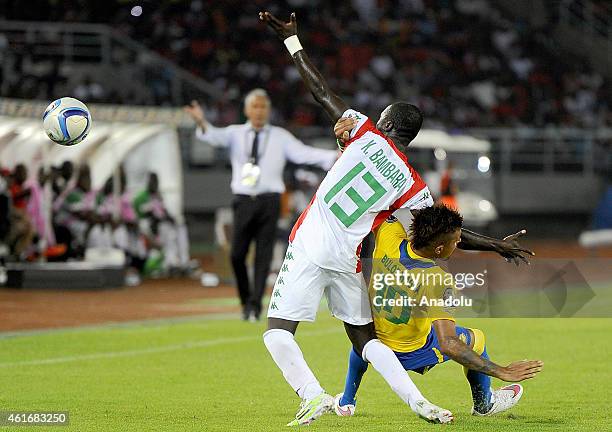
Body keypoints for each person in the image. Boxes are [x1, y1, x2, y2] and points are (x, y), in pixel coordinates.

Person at [259, 11, 535, 426]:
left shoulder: (364, 133)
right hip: (349, 260)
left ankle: (313, 395)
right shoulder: (411, 185)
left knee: (277, 331)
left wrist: (292, 41)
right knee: (367, 342)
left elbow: (321, 93)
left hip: (309, 244)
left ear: (385, 122)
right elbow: (447, 230)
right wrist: (496, 245)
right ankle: (420, 403)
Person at [334, 205, 543, 418]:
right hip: (411, 352)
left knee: (362, 344)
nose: (459, 242)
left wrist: (496, 245)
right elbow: (449, 344)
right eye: (456, 240)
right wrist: (502, 371)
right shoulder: (438, 280)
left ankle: (346, 402)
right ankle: (484, 403)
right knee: (476, 339)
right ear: (440, 249)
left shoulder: (389, 235)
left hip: (375, 338)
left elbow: (381, 212)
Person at [185, 88, 339, 321]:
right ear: (247, 110)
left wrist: (333, 157)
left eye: (263, 107)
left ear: (268, 111)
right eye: (255, 106)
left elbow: (303, 154)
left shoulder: (280, 136)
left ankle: (254, 307)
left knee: (263, 255)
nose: (258, 111)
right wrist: (201, 121)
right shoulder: (235, 133)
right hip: (243, 199)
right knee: (237, 254)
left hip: (269, 200)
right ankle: (245, 299)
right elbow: (212, 136)